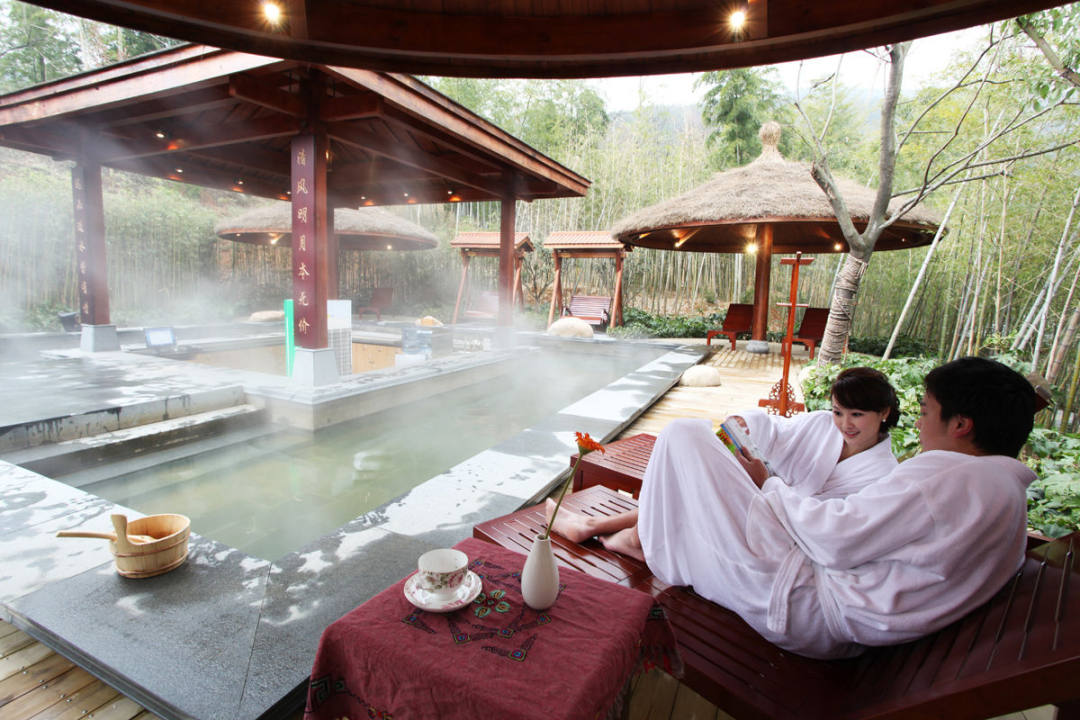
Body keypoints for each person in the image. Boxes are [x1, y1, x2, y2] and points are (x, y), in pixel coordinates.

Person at [551, 357, 1037, 660]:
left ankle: (640, 540)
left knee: (684, 434)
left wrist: (770, 485)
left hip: (805, 603)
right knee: (700, 455)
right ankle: (637, 536)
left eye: (928, 410)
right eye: (840, 411)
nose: (923, 422)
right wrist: (757, 453)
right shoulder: (1000, 491)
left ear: (961, 425)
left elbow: (836, 539)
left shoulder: (944, 476)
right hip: (829, 602)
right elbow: (781, 435)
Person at [548, 365, 901, 544]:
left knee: (699, 486)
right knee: (692, 448)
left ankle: (603, 529)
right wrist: (747, 425)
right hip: (765, 498)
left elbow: (828, 526)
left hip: (783, 533)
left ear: (884, 412)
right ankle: (607, 530)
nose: (844, 424)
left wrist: (768, 485)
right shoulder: (822, 424)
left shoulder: (883, 475)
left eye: (857, 415)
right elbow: (777, 428)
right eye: (839, 412)